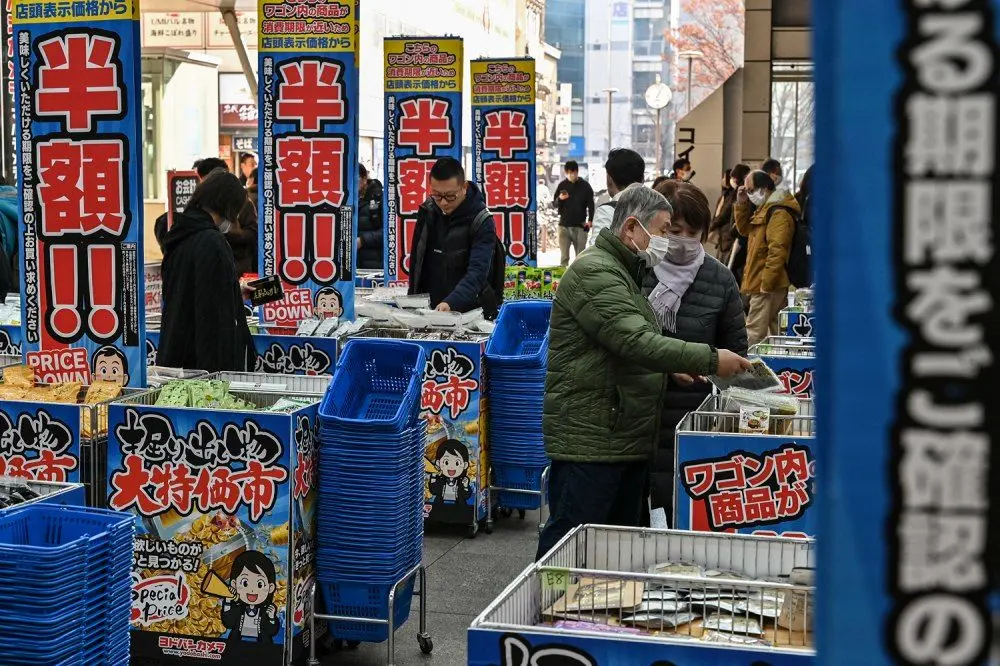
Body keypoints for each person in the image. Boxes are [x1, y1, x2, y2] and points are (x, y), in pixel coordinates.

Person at [537, 186, 752, 560]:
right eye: (666, 230)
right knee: (570, 545)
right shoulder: (596, 273)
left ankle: (593, 615)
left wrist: (672, 368)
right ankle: (543, 607)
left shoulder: (626, 271)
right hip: (593, 438)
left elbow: (628, 344)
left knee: (614, 548)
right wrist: (709, 359)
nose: (671, 241)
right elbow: (636, 341)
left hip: (621, 435)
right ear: (633, 228)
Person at [644, 181, 748, 521]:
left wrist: (714, 370)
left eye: (693, 231)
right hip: (637, 418)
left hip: (694, 420)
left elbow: (736, 350)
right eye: (675, 230)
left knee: (684, 509)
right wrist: (663, 365)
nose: (683, 240)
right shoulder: (635, 271)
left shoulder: (720, 280)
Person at [158, 170, 255, 373]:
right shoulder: (212, 241)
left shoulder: (178, 235)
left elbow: (191, 290)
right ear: (227, 205)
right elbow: (212, 310)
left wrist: (235, 292)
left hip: (175, 350)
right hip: (202, 362)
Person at [408, 157, 502, 318]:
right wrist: (412, 301)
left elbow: (477, 273)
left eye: (450, 196)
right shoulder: (427, 211)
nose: (443, 203)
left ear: (464, 187)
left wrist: (451, 302)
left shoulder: (481, 220)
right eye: (437, 195)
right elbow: (417, 264)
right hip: (431, 311)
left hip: (472, 313)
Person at [155, 159, 258, 277]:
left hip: (236, 267)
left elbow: (252, 234)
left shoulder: (187, 227)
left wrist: (230, 231)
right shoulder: (207, 237)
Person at [735, 170, 800, 345]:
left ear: (764, 188)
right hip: (766, 280)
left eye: (751, 190)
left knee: (754, 332)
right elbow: (745, 231)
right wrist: (741, 204)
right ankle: (773, 368)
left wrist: (767, 283)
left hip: (766, 283)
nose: (749, 194)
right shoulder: (765, 209)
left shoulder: (778, 212)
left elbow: (778, 250)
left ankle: (747, 369)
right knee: (776, 332)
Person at [586, 148, 644, 248]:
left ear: (609, 179)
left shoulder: (607, 212)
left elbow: (596, 255)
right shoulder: (657, 208)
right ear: (642, 179)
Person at [552, 160, 594, 266]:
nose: (571, 175)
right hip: (563, 226)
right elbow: (554, 204)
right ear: (566, 173)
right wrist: (560, 199)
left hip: (580, 226)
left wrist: (590, 220)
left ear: (577, 172)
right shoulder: (562, 185)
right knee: (564, 257)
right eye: (569, 173)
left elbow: (591, 204)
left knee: (580, 257)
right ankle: (562, 280)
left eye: (573, 173)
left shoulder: (585, 186)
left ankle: (579, 281)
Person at [708, 163, 751, 264]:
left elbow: (724, 215)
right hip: (728, 238)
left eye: (733, 177)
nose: (731, 179)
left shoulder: (738, 195)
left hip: (731, 238)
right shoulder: (732, 194)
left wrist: (710, 226)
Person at [356, 163, 384, 270]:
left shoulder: (379, 199)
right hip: (349, 268)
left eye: (355, 178)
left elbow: (389, 233)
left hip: (374, 266)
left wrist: (363, 240)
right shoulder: (344, 200)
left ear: (364, 178)